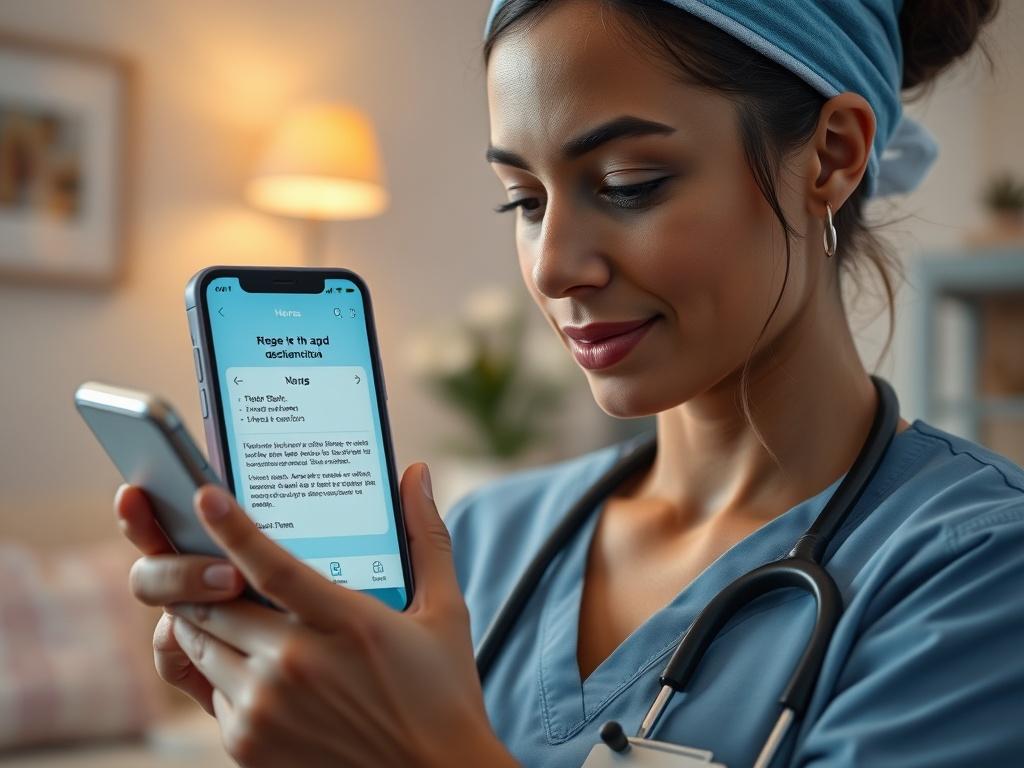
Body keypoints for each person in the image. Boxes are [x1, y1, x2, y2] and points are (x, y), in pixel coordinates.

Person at [115, 0, 1024, 765]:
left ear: (829, 155)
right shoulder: (473, 544)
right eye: (524, 200)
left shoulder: (979, 568)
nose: (552, 267)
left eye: (628, 183)